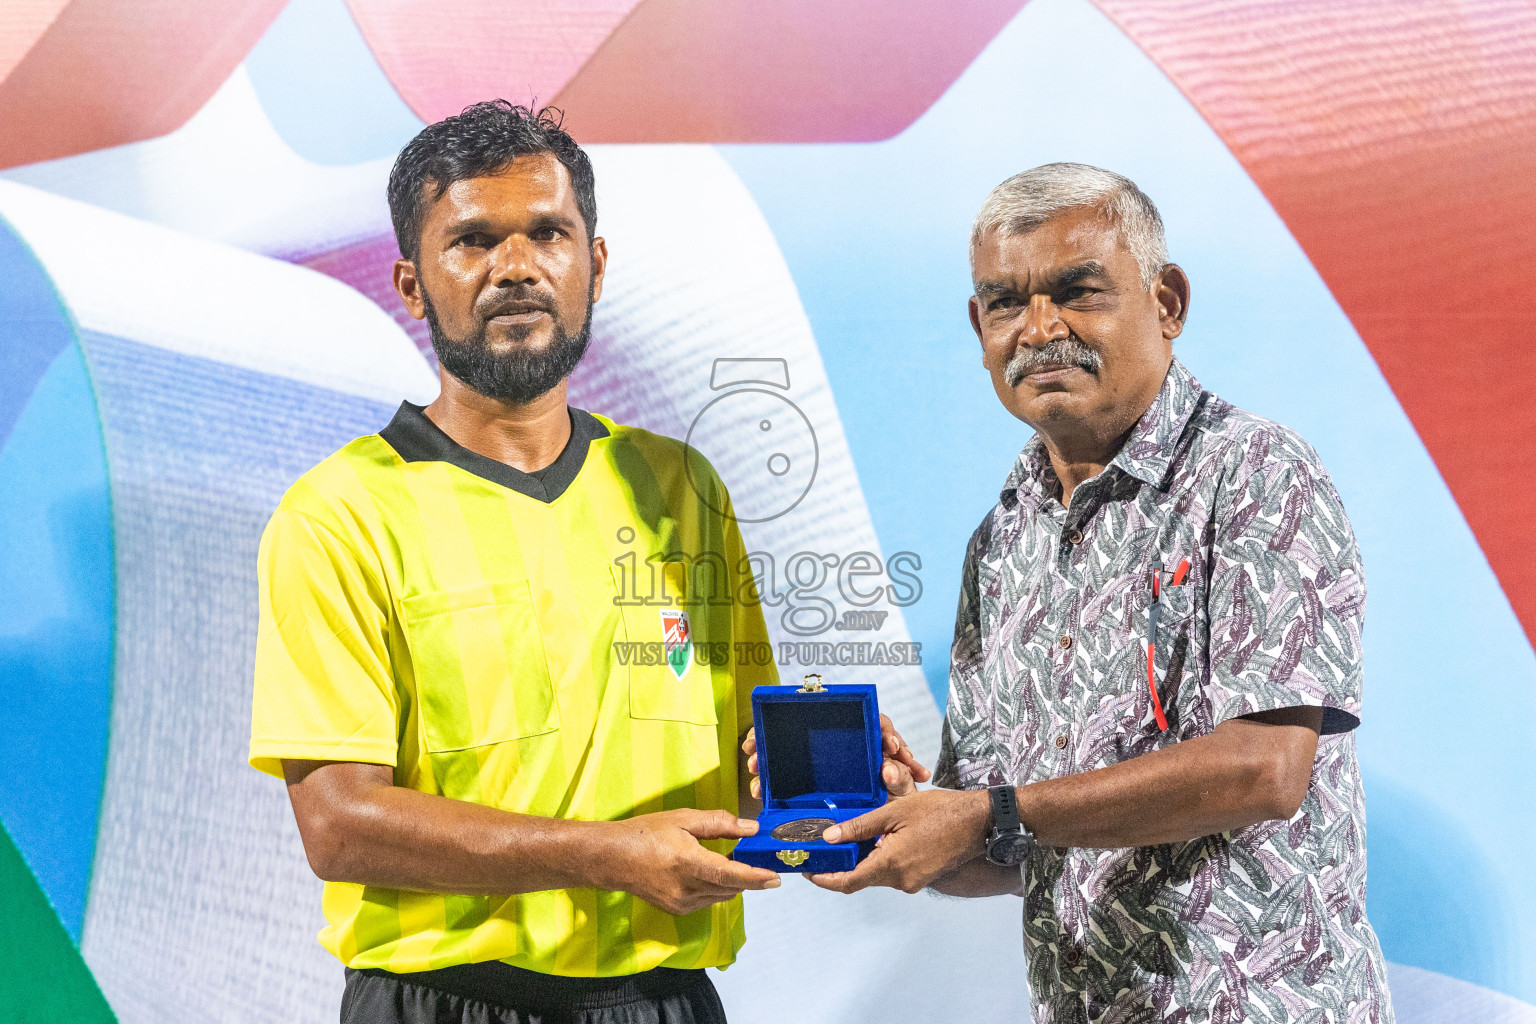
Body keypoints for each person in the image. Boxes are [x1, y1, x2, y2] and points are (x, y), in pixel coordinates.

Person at [802, 164, 1396, 1023]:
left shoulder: (1258, 475)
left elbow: (1265, 770)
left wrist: (988, 813)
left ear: (1168, 302)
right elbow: (1006, 848)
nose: (1040, 329)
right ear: (979, 327)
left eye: (1077, 291)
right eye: (1006, 302)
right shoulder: (1001, 541)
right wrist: (905, 819)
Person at [249, 100, 796, 1024]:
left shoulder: (679, 487)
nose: (516, 268)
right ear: (412, 284)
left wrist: (828, 785)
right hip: (442, 1002)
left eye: (549, 232)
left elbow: (747, 768)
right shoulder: (339, 514)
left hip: (665, 1003)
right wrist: (602, 854)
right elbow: (339, 824)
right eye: (472, 240)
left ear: (596, 264)